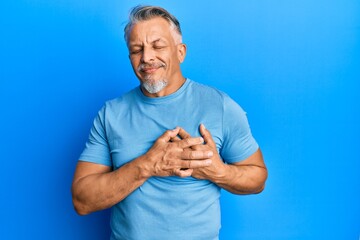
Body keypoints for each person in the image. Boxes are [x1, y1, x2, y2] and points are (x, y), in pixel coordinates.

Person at [71, 5, 267, 240]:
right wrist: (147, 165)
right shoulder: (111, 114)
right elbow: (82, 200)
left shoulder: (220, 107)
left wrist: (218, 172)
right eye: (136, 50)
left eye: (158, 46)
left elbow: (257, 177)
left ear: (181, 52)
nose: (147, 57)